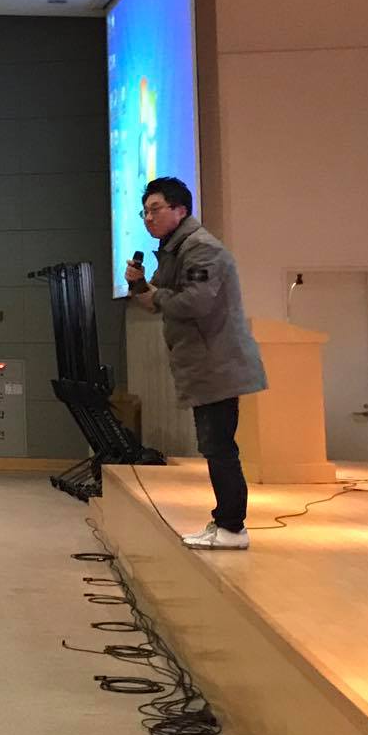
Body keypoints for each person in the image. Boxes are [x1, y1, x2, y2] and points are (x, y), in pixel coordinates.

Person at [126, 175, 268, 550]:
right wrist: (140, 285)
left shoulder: (202, 248)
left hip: (217, 364)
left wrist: (157, 294)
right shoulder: (175, 249)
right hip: (204, 365)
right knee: (214, 446)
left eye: (155, 209)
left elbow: (195, 302)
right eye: (144, 212)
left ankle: (232, 528)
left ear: (180, 209)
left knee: (219, 447)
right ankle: (224, 522)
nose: (148, 218)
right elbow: (157, 300)